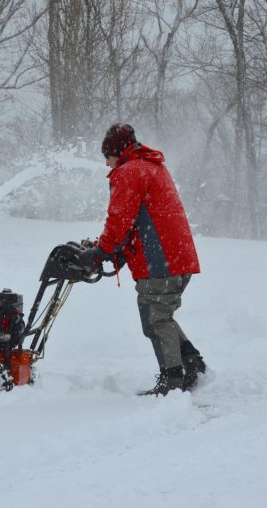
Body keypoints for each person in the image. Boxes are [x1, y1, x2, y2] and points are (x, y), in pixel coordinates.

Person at [78, 123, 206, 396]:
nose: (106, 163)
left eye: (107, 156)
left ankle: (172, 380)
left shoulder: (129, 172)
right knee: (161, 316)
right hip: (177, 257)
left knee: (155, 319)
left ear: (117, 151)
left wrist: (102, 252)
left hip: (160, 261)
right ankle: (192, 364)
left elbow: (120, 219)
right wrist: (116, 250)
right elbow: (141, 218)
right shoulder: (151, 166)